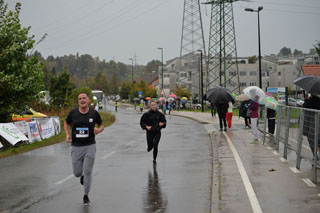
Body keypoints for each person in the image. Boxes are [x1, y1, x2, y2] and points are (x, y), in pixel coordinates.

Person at [64, 92, 105, 206]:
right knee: (77, 173)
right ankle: (81, 176)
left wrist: (99, 130)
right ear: (78, 101)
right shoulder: (73, 113)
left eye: (84, 98)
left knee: (88, 171)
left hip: (90, 146)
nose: (82, 100)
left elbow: (102, 125)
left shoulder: (94, 113)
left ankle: (86, 195)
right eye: (80, 99)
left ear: (88, 100)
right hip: (76, 146)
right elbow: (66, 123)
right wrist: (67, 135)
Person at [303, 94, 320, 160]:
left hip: (312, 123)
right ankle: (317, 155)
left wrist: (306, 100)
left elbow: (305, 106)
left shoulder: (312, 100)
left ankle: (316, 156)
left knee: (312, 139)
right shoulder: (317, 99)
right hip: (314, 123)